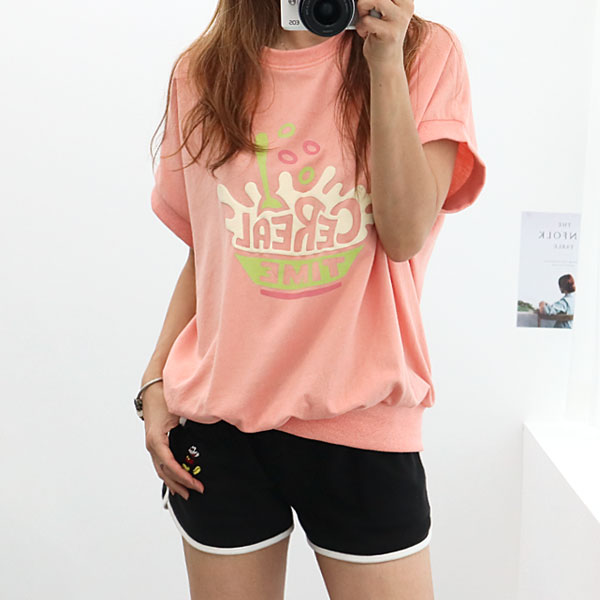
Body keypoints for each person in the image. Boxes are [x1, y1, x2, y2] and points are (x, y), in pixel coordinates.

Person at [137, 1, 486, 598]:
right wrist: (154, 381)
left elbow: (405, 234)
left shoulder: (421, 53)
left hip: (359, 420)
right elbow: (213, 249)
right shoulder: (203, 71)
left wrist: (384, 62)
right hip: (221, 422)